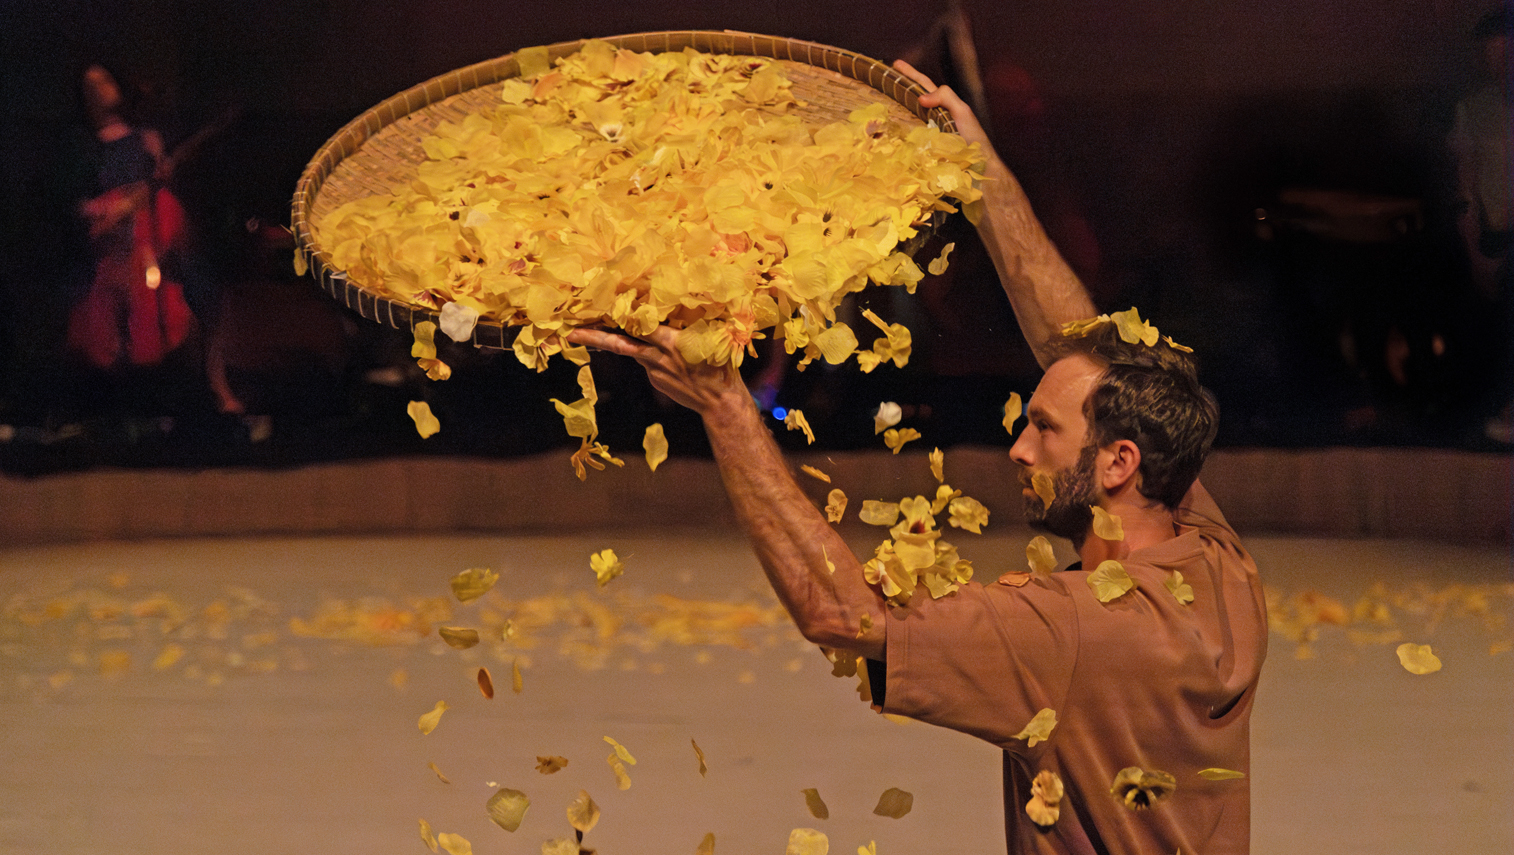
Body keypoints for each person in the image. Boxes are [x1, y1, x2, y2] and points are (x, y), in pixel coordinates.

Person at [571, 61, 1267, 855]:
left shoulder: (1071, 630)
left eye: (1043, 429)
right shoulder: (1220, 569)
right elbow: (1076, 351)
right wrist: (979, 175)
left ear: (1117, 464)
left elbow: (845, 615)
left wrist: (725, 408)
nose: (1018, 447)